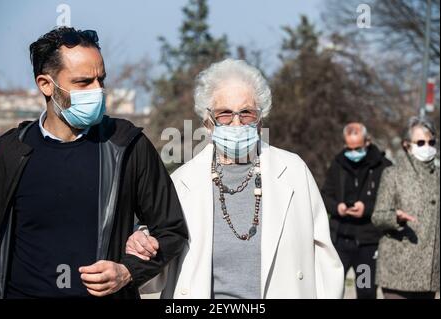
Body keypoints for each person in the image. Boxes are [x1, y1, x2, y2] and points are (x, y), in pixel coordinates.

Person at [0, 27, 188, 299]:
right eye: (84, 82)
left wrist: (128, 271)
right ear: (45, 85)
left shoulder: (127, 145)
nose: (98, 90)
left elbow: (172, 230)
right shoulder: (9, 152)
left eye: (101, 79)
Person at [126, 58, 344, 299]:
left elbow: (325, 260)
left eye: (247, 113)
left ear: (260, 119)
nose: (237, 122)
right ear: (208, 121)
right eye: (225, 114)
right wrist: (143, 244)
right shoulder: (181, 182)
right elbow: (158, 269)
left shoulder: (294, 171)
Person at [321, 122, 392, 299]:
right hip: (340, 241)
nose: (353, 153)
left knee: (365, 291)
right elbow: (325, 195)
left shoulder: (383, 166)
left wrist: (366, 209)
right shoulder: (337, 163)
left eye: (358, 148)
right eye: (349, 148)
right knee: (331, 290)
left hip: (367, 244)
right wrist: (337, 208)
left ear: (367, 142)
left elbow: (390, 201)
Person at [372, 117, 439, 299]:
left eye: (431, 142)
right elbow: (378, 216)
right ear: (407, 145)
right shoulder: (392, 174)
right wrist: (396, 218)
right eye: (420, 142)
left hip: (429, 272)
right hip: (398, 270)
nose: (427, 146)